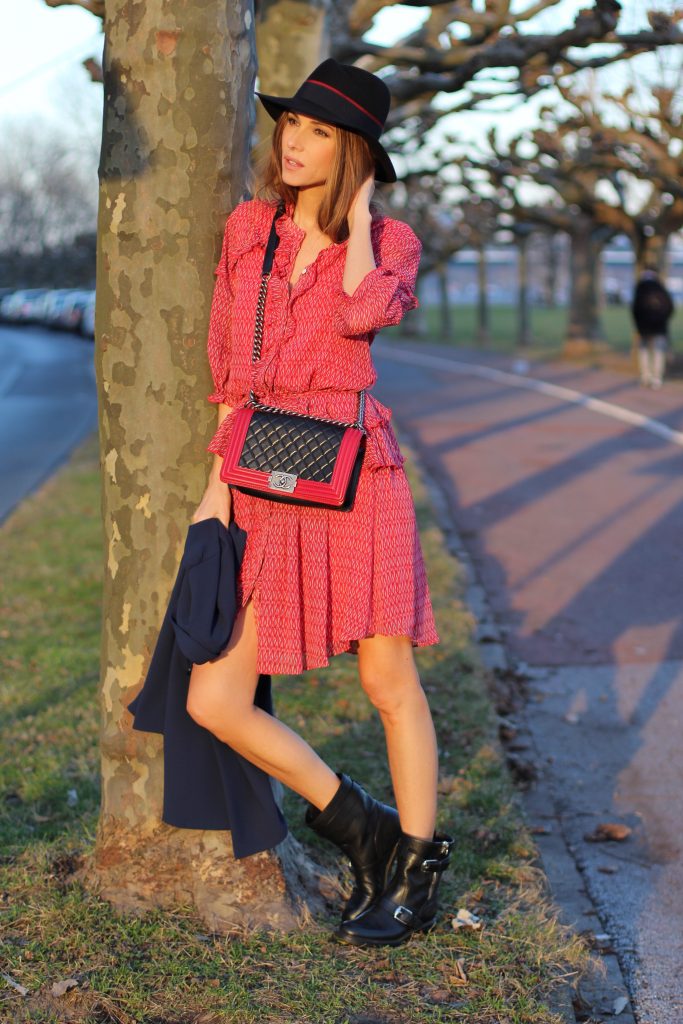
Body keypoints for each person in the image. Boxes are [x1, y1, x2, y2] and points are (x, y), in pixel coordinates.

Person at [186, 58, 453, 949]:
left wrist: (361, 220)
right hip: (262, 472)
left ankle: (415, 871)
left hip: (355, 473)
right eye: (290, 127)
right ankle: (356, 823)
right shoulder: (246, 229)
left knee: (386, 679)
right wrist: (209, 499)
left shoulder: (395, 243)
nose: (294, 143)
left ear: (357, 153)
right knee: (215, 698)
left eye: (319, 132)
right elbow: (229, 375)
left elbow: (360, 316)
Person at [631, 268, 675, 390]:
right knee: (658, 351)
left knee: (644, 351)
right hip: (660, 326)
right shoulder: (661, 287)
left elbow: (635, 309)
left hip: (643, 327)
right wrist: (663, 320)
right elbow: (670, 307)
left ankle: (645, 376)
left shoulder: (640, 288)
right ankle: (657, 377)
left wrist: (638, 324)